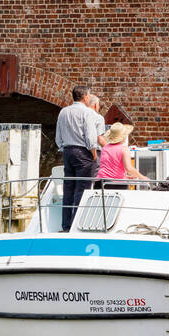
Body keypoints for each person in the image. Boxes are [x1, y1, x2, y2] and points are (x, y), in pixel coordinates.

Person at [57, 85, 107, 230]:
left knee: (69, 189)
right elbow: (91, 137)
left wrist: (63, 148)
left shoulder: (63, 112)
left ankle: (66, 225)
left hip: (67, 151)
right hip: (84, 152)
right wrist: (93, 155)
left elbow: (58, 136)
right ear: (85, 97)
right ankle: (75, 225)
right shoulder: (87, 113)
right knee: (83, 189)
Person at [95, 122, 147, 189]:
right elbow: (129, 168)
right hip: (116, 184)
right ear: (123, 136)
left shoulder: (105, 148)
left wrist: (125, 176)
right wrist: (142, 177)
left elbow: (109, 169)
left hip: (100, 182)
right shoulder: (124, 149)